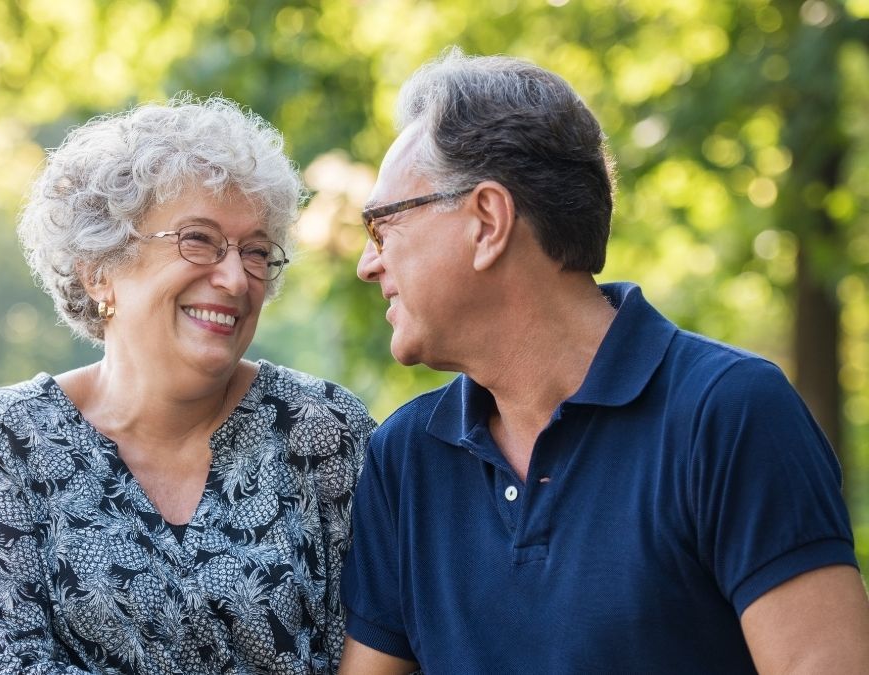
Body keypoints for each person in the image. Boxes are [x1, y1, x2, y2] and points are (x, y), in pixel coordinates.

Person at [339, 48, 869, 674]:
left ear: (487, 221)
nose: (368, 264)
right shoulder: (405, 459)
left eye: (382, 227)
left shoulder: (730, 414)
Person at [0, 96, 375, 674]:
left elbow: (395, 647)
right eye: (200, 240)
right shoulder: (8, 442)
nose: (236, 277)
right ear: (100, 269)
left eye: (256, 251)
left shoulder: (325, 431)